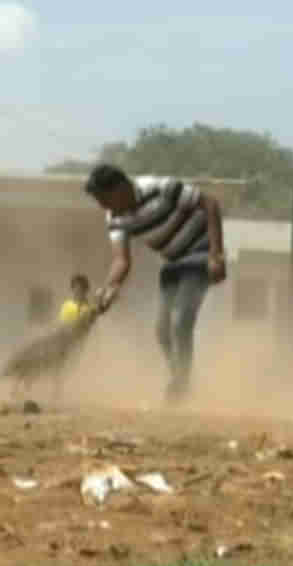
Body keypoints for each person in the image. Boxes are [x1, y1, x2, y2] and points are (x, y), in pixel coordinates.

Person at [83, 164, 227, 404]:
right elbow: (121, 261)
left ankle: (181, 382)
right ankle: (180, 378)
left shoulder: (161, 188)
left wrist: (216, 255)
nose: (103, 207)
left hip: (199, 255)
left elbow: (210, 204)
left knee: (180, 321)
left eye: (104, 199)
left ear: (120, 188)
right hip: (172, 263)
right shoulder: (114, 218)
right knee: (162, 331)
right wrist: (107, 290)